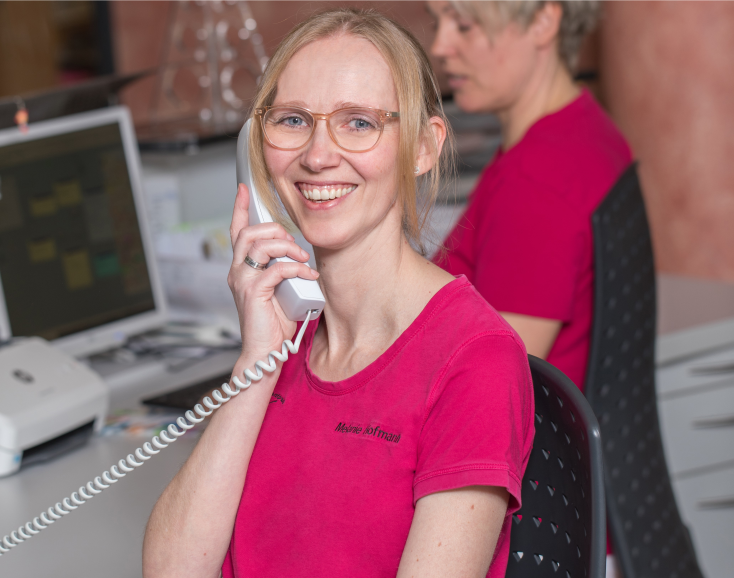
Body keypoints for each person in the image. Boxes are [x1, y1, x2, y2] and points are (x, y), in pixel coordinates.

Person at [143, 8, 533, 578]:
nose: (318, 155)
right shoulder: (283, 336)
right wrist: (255, 363)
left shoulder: (475, 362)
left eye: (358, 123)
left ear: (423, 147)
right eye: (293, 120)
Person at [428, 0, 632, 392]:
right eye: (437, 22)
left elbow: (493, 387)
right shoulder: (585, 126)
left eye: (464, 25)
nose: (440, 45)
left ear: (542, 22)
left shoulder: (537, 180)